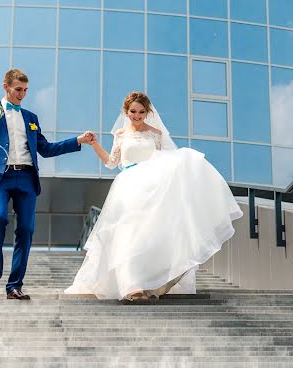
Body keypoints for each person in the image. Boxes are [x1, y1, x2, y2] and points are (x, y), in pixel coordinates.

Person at [65, 91, 243, 301]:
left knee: (148, 234)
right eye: (133, 111)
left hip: (152, 189)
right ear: (126, 111)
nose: (137, 116)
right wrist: (94, 145)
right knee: (127, 233)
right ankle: (131, 286)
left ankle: (147, 283)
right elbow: (112, 163)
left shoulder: (155, 134)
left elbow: (164, 161)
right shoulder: (120, 134)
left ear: (147, 112)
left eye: (141, 112)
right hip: (128, 186)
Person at [0, 68, 94, 300]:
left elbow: (46, 148)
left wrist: (78, 141)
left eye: (25, 90)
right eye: (18, 89)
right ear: (5, 86)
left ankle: (14, 285)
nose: (22, 94)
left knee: (26, 230)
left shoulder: (31, 118)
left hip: (26, 178)